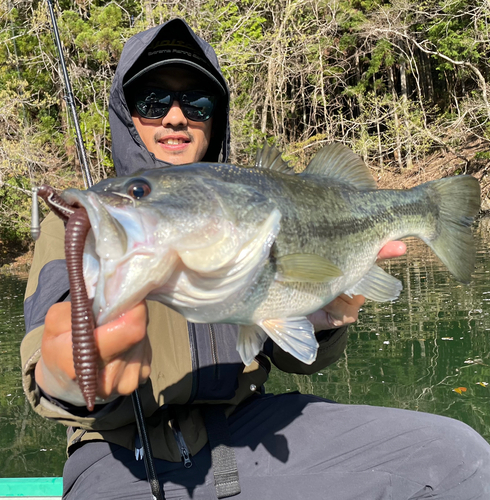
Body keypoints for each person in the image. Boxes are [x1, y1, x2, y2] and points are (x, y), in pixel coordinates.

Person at [21, 18, 490, 500]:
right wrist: (69, 376)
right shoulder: (79, 225)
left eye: (196, 101)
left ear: (216, 115)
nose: (176, 116)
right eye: (153, 101)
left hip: (254, 427)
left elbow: (297, 355)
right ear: (129, 117)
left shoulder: (257, 204)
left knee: (459, 458)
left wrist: (327, 321)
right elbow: (44, 351)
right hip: (124, 454)